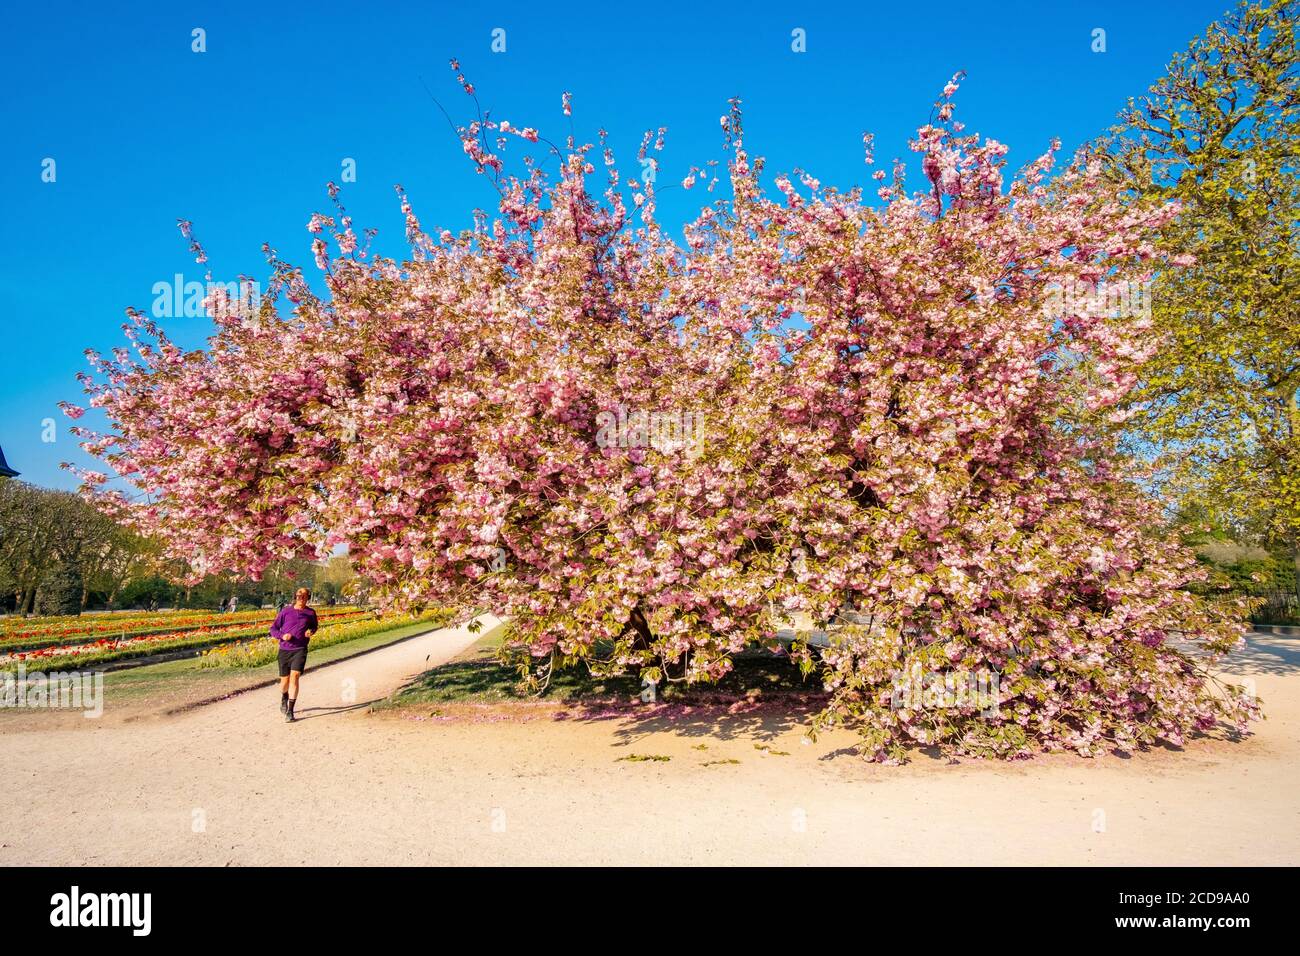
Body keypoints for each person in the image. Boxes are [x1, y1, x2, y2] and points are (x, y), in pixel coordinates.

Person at [270, 587, 318, 722]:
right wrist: (282, 636)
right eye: (298, 595)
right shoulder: (286, 611)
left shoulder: (310, 613)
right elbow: (273, 628)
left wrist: (311, 631)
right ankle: (284, 697)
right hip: (285, 650)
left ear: (308, 597)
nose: (300, 598)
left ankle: (290, 711)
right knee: (284, 681)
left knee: (295, 676)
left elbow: (314, 626)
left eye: (303, 596)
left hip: (300, 649)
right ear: (295, 597)